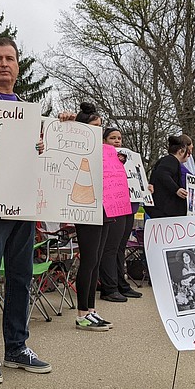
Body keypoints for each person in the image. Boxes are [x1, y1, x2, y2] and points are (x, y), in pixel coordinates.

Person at [0, 36, 52, 383]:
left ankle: (17, 347)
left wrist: (50, 140)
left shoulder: (31, 112)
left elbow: (42, 157)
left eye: (10, 58)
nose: (4, 64)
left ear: (18, 66)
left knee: (21, 277)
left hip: (24, 208)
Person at [69, 105, 113, 331]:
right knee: (88, 260)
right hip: (86, 207)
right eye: (95, 126)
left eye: (100, 127)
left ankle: (92, 310)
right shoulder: (78, 151)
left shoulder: (105, 152)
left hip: (106, 207)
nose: (99, 131)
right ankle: (81, 313)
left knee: (96, 259)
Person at [97, 127, 144, 302]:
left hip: (129, 206)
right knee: (110, 248)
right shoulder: (103, 157)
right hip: (112, 205)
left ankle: (120, 284)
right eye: (112, 138)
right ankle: (109, 287)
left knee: (120, 248)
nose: (117, 141)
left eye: (119, 138)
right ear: (104, 141)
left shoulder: (127, 158)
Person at [147, 134, 192, 218]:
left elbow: (157, 173)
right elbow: (162, 173)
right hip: (166, 210)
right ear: (181, 151)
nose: (189, 155)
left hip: (161, 209)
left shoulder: (164, 160)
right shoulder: (172, 161)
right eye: (188, 152)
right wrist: (176, 189)